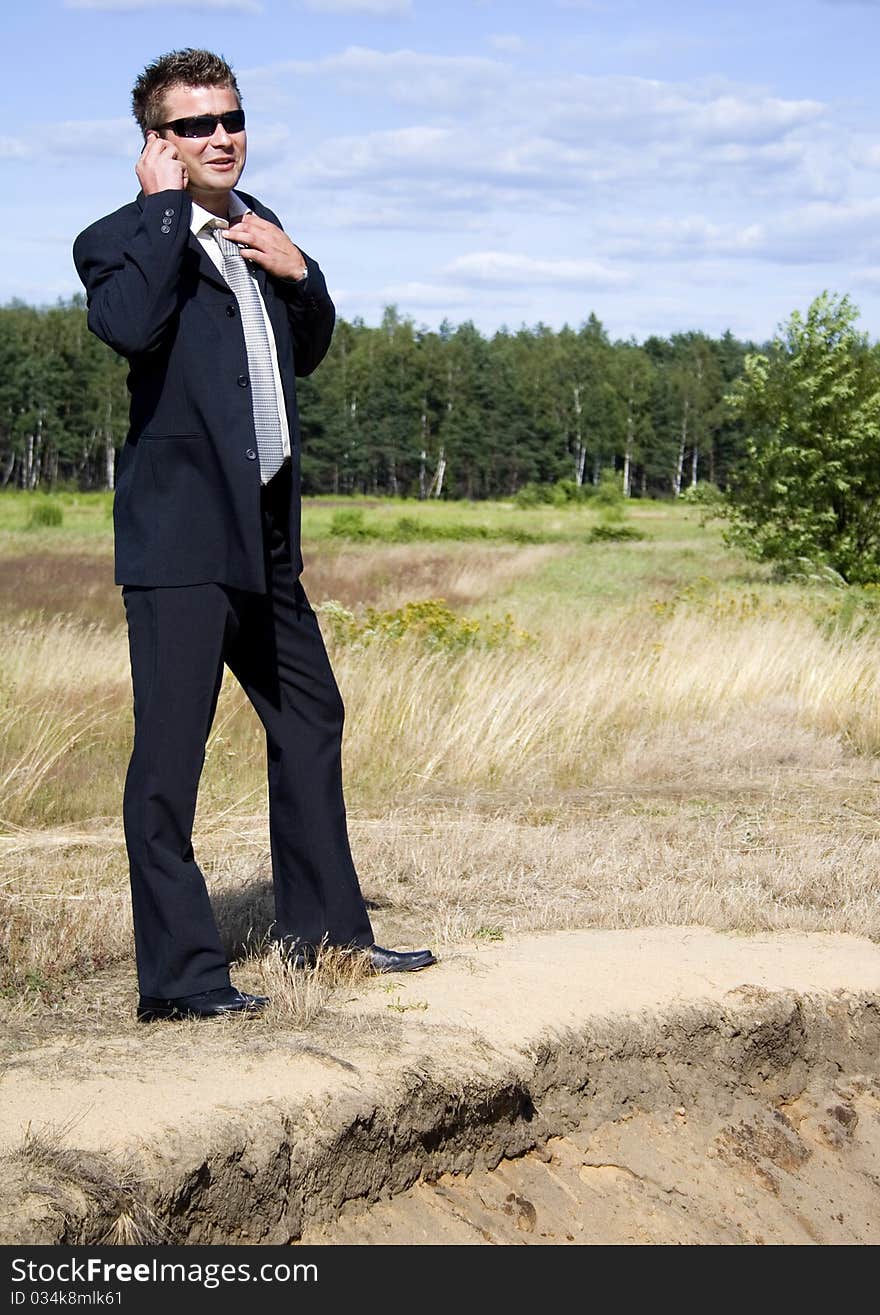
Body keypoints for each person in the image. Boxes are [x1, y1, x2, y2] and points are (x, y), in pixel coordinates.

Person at [73, 48, 436, 1023]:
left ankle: (327, 937)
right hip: (183, 546)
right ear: (157, 142)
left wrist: (301, 269)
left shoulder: (257, 224)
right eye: (194, 126)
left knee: (312, 718)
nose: (222, 137)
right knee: (169, 761)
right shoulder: (119, 237)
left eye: (231, 118)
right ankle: (182, 979)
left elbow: (304, 351)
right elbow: (128, 327)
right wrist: (162, 211)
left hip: (266, 540)